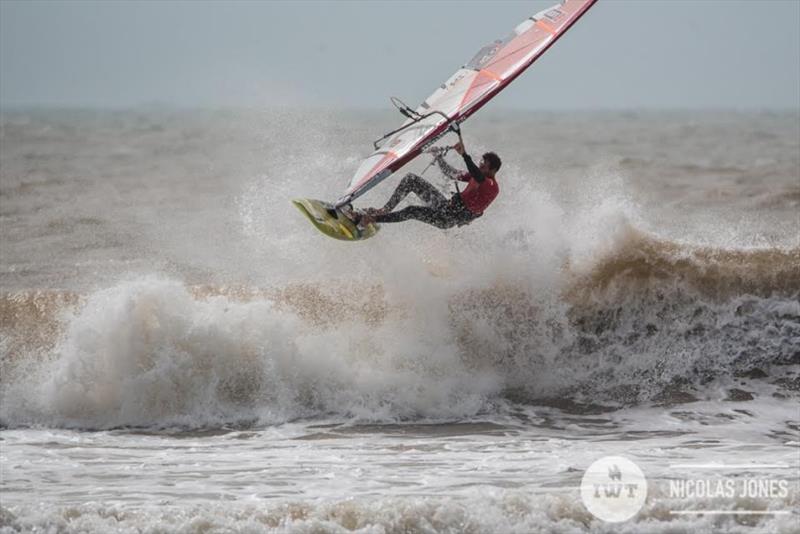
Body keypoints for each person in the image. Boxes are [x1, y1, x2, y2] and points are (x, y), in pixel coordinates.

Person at [357, 141, 501, 229]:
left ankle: (372, 220)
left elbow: (477, 174)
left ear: (493, 170)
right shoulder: (476, 176)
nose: (480, 167)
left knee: (411, 210)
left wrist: (464, 155)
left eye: (484, 167)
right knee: (411, 179)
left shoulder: (491, 185)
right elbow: (451, 173)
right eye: (480, 165)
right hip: (445, 207)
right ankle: (384, 210)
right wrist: (438, 157)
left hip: (448, 219)